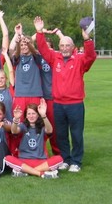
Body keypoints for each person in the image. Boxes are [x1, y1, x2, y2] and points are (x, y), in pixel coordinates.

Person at [33, 16, 97, 172]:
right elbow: (43, 49)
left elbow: (91, 56)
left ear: (73, 46)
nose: (64, 48)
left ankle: (76, 161)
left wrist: (87, 40)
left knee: (76, 134)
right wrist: (39, 32)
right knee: (61, 134)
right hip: (58, 104)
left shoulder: (80, 60)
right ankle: (65, 159)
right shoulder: (55, 58)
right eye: (62, 45)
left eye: (68, 45)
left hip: (75, 104)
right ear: (59, 47)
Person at [4, 99, 63, 178]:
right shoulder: (23, 126)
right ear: (26, 115)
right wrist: (15, 120)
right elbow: (14, 131)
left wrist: (44, 115)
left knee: (59, 159)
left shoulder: (42, 127)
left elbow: (50, 130)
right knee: (8, 158)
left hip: (41, 161)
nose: (31, 116)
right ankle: (41, 173)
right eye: (29, 114)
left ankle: (27, 171)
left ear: (38, 115)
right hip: (24, 160)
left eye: (33, 113)